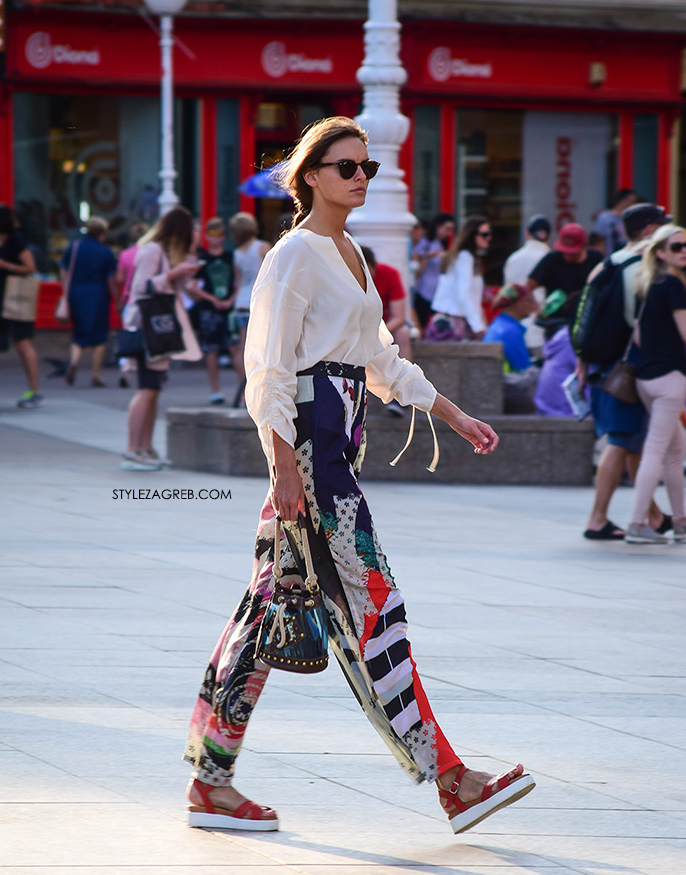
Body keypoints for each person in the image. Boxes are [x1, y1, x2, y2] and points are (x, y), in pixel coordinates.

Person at [183, 116, 535, 835]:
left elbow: (378, 359)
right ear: (310, 174)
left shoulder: (350, 253)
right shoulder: (293, 256)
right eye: (346, 166)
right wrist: (283, 465)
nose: (361, 177)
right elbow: (268, 371)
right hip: (311, 453)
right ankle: (452, 777)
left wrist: (455, 414)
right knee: (376, 603)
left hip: (334, 444)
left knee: (267, 611)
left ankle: (210, 779)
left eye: (366, 167)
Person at [580, 204, 672, 540]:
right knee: (620, 441)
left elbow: (583, 316)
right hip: (629, 368)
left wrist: (581, 363)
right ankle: (597, 519)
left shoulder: (609, 262)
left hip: (604, 366)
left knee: (632, 441)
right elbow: (640, 324)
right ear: (650, 231)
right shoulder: (641, 268)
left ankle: (655, 517)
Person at [121, 206, 202, 471]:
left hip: (157, 327)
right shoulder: (152, 250)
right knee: (146, 388)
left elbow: (165, 288)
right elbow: (141, 287)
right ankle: (133, 450)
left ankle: (145, 447)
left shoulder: (161, 251)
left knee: (153, 389)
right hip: (147, 326)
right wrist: (172, 275)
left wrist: (181, 274)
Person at [624, 224, 686, 544]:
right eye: (677, 247)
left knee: (676, 450)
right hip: (670, 379)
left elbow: (637, 333)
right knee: (657, 451)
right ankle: (637, 524)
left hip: (647, 379)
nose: (684, 251)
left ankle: (680, 522)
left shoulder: (648, 283)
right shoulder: (674, 286)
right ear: (660, 252)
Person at [0, 204, 41, 407]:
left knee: (22, 342)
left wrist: (7, 265)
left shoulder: (15, 240)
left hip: (16, 295)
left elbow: (31, 267)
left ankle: (34, 391)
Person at [60, 216, 119, 388]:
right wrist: (117, 300)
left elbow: (63, 271)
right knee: (99, 336)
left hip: (76, 292)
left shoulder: (74, 247)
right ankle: (96, 374)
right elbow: (111, 281)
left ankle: (74, 362)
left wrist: (65, 290)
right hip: (97, 294)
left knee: (79, 333)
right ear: (102, 233)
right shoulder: (105, 252)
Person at [191, 217, 241, 405]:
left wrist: (231, 300)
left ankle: (243, 392)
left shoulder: (231, 256)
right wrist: (212, 299)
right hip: (209, 310)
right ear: (206, 236)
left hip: (228, 309)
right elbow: (194, 286)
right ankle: (216, 391)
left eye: (218, 234)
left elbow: (239, 280)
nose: (215, 238)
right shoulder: (202, 259)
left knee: (235, 347)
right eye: (211, 234)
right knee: (211, 351)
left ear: (223, 236)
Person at [361, 245, 412, 417]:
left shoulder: (390, 274)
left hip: (387, 327)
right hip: (359, 329)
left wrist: (378, 334)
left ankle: (404, 394)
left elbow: (399, 317)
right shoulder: (345, 279)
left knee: (404, 332)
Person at [426, 216, 491, 341]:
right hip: (452, 322)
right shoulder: (465, 257)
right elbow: (464, 293)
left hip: (453, 320)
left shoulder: (465, 256)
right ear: (472, 235)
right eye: (485, 234)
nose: (489, 237)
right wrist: (478, 326)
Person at [228, 212, 270, 397]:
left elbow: (239, 282)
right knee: (262, 346)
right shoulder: (262, 247)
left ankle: (243, 388)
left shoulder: (236, 253)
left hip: (241, 303)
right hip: (259, 301)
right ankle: (257, 389)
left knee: (243, 347)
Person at [483, 283, 539, 413]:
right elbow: (523, 368)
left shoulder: (499, 324)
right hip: (506, 388)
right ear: (518, 303)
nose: (534, 306)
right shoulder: (510, 330)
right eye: (529, 301)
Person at [503, 215, 552, 354]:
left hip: (515, 331)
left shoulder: (512, 259)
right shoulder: (550, 258)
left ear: (526, 233)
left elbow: (506, 295)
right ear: (549, 237)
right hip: (540, 331)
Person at [527, 223, 602, 302]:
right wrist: (535, 307)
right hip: (556, 313)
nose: (567, 255)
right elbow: (529, 285)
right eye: (564, 251)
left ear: (583, 246)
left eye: (572, 253)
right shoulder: (552, 259)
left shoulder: (596, 259)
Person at [116, 222, 148, 388]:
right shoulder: (150, 253)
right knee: (147, 337)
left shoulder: (126, 254)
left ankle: (126, 369)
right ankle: (145, 368)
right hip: (147, 301)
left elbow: (120, 279)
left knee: (130, 335)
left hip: (130, 300)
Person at [411, 212, 455, 331]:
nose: (449, 233)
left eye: (451, 230)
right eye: (446, 229)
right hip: (423, 291)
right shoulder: (424, 243)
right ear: (437, 226)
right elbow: (416, 271)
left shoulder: (440, 244)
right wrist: (428, 256)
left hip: (438, 293)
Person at [592, 189, 638, 254]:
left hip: (625, 257)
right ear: (622, 201)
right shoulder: (605, 218)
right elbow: (597, 240)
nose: (633, 205)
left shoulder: (631, 219)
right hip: (608, 257)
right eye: (631, 201)